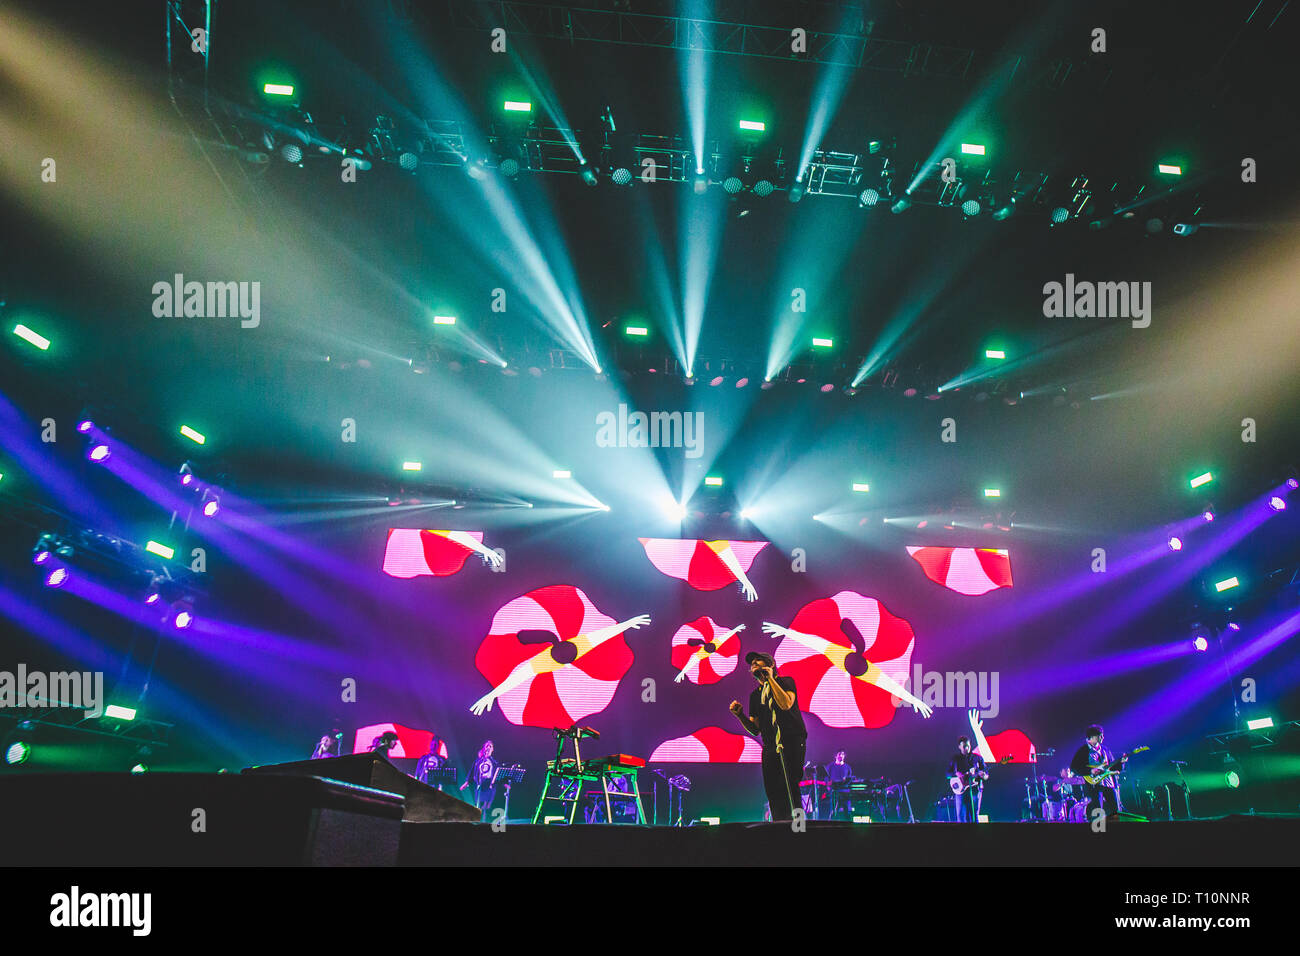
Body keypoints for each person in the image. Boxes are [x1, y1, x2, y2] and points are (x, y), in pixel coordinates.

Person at [729, 651, 807, 822]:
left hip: (792, 740)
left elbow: (786, 704)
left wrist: (770, 679)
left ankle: (799, 827)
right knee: (773, 789)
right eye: (752, 664)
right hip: (770, 745)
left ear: (771, 665)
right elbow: (755, 729)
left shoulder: (786, 682)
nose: (755, 664)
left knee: (791, 786)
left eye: (759, 661)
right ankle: (779, 825)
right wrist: (740, 715)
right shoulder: (755, 695)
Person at [1069, 725, 1126, 820]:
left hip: (1109, 783)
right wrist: (1090, 771)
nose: (1102, 738)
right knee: (1098, 811)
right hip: (1094, 785)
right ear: (1091, 737)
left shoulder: (1105, 750)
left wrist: (1122, 762)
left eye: (1102, 735)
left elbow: (1113, 767)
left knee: (1115, 810)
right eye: (1100, 735)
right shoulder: (1083, 751)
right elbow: (1074, 767)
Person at [947, 735, 987, 823]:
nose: (967, 748)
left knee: (974, 815)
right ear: (959, 747)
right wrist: (956, 774)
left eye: (968, 745)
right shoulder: (955, 759)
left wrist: (983, 775)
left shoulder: (977, 758)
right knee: (960, 816)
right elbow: (947, 774)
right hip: (961, 791)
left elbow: (986, 775)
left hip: (975, 789)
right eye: (964, 746)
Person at [460, 740, 499, 820]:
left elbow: (498, 775)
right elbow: (472, 772)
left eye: (490, 746)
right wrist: (466, 783)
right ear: (484, 748)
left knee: (486, 808)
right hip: (480, 785)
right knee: (478, 806)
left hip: (489, 787)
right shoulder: (478, 761)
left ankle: (485, 821)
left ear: (492, 749)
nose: (488, 748)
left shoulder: (494, 763)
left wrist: (504, 784)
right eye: (486, 746)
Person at [826, 751, 852, 820]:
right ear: (835, 756)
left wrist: (845, 782)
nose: (841, 756)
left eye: (842, 754)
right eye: (839, 754)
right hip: (834, 792)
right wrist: (828, 785)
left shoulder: (847, 767)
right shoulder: (830, 766)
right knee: (834, 811)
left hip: (844, 792)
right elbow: (826, 778)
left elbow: (849, 779)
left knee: (847, 811)